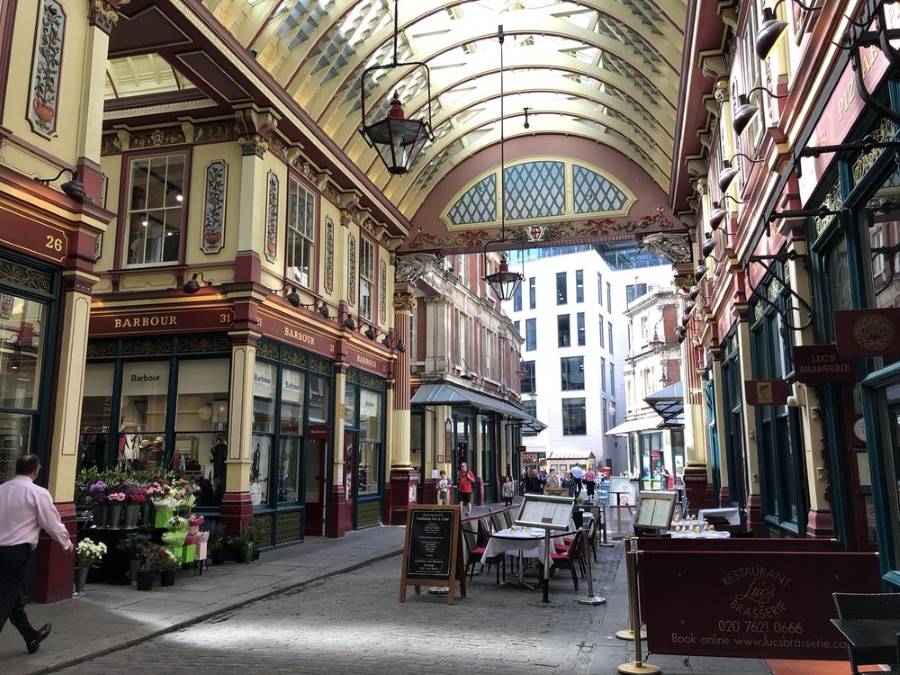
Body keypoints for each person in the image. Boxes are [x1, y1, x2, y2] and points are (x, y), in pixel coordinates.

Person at [0, 454, 73, 654]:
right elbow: (50, 521)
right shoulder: (37, 493)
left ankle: (31, 637)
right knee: (5, 598)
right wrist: (66, 542)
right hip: (15, 552)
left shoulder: (2, 490)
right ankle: (31, 636)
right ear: (35, 470)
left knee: (12, 599)